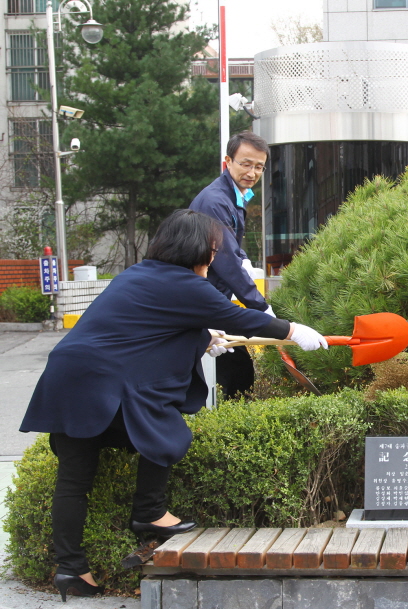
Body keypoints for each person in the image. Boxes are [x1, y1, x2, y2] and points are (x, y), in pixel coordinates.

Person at [19, 210, 327, 601]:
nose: (214, 257)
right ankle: (148, 510)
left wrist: (203, 338)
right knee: (164, 427)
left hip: (65, 378)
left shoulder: (137, 274)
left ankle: (71, 570)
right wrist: (293, 330)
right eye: (214, 250)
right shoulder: (185, 285)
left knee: (74, 482)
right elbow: (238, 317)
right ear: (199, 249)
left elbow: (147, 332)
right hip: (99, 382)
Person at [189, 131, 271, 398]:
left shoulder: (234, 196)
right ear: (228, 162)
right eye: (245, 163)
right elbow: (225, 261)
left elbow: (229, 243)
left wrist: (243, 257)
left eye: (259, 166)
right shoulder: (215, 201)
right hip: (201, 298)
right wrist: (262, 308)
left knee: (234, 368)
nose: (252, 172)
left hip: (212, 297)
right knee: (232, 370)